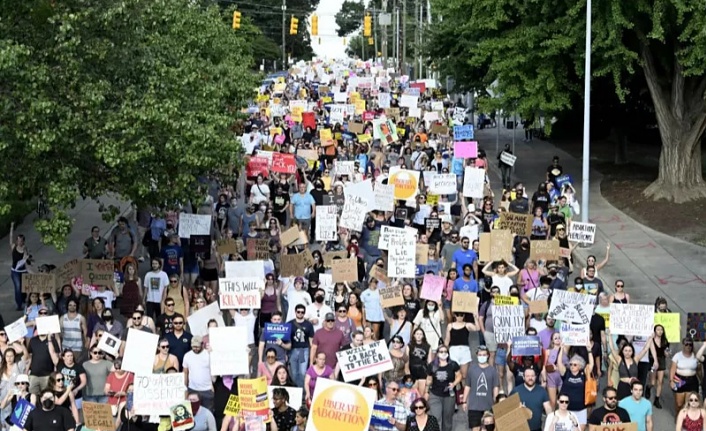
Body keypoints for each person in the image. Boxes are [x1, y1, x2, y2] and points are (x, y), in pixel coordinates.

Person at [462, 346, 499, 431]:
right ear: (477, 355)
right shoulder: (472, 369)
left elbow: (495, 387)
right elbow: (467, 385)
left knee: (489, 429)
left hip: (488, 406)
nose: (482, 356)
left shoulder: (492, 370)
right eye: (480, 354)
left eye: (484, 354)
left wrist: (496, 403)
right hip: (474, 407)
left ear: (488, 356)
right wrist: (464, 401)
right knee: (475, 428)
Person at [183, 336, 213, 411]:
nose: (195, 348)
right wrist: (185, 388)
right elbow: (185, 373)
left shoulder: (208, 354)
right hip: (192, 389)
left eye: (197, 346)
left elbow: (213, 371)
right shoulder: (187, 356)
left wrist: (212, 385)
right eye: (193, 347)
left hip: (207, 389)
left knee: (208, 412)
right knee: (192, 412)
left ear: (202, 344)